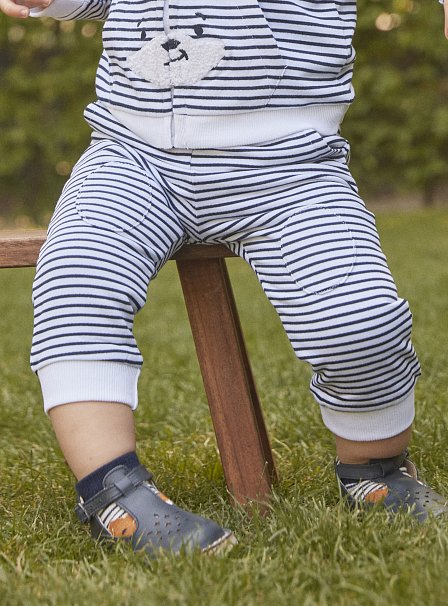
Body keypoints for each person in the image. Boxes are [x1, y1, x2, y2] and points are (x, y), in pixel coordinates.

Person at [1, 0, 448, 558]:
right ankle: (111, 490)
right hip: (135, 154)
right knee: (77, 282)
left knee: (358, 323)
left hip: (291, 162)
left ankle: (374, 466)